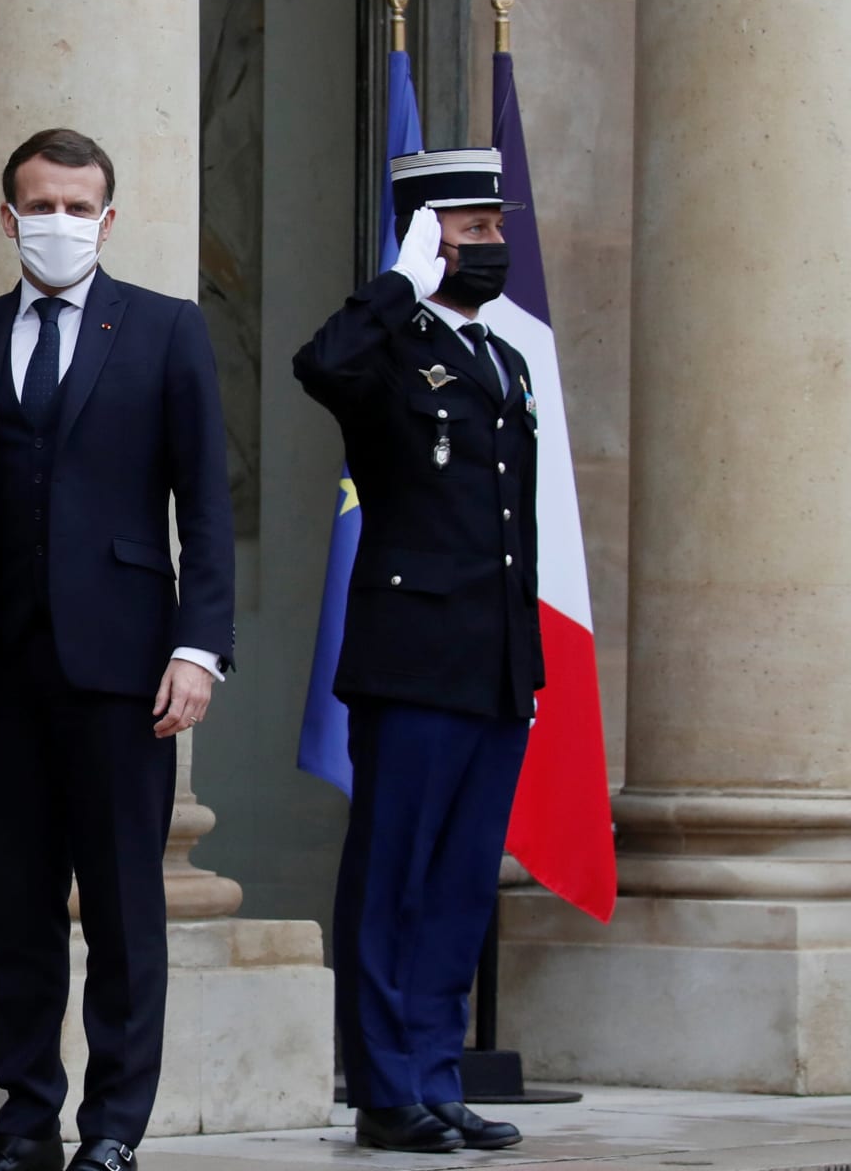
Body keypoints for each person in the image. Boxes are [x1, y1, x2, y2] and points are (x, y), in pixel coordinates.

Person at [0, 128, 236, 1171]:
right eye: (39, 204)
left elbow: (209, 510)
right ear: (8, 218)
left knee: (128, 905)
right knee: (16, 905)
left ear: (107, 215)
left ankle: (114, 1126)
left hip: (125, 666)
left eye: (77, 204)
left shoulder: (165, 330)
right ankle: (23, 1117)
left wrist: (200, 646)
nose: (58, 221)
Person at [291, 147, 541, 1154]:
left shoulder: (502, 359)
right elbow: (321, 365)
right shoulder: (386, 348)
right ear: (427, 235)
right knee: (394, 872)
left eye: (494, 228)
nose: (493, 244)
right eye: (472, 229)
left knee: (462, 877)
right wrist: (399, 282)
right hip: (412, 655)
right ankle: (385, 1084)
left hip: (491, 659)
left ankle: (437, 1071)